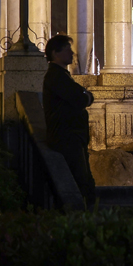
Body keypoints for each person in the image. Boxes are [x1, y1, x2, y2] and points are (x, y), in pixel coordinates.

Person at [42, 33, 96, 204]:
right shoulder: (56, 76)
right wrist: (85, 96)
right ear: (55, 53)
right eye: (67, 50)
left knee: (85, 179)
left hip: (71, 136)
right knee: (80, 180)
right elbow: (80, 98)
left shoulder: (61, 75)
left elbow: (84, 96)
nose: (72, 53)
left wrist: (86, 95)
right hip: (67, 136)